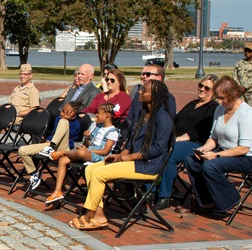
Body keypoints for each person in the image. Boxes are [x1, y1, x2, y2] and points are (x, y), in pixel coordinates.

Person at [68, 79, 173, 230]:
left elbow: (157, 148)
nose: (140, 91)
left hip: (147, 166)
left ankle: (88, 215)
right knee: (90, 169)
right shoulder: (143, 114)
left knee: (99, 174)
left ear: (155, 95)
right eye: (141, 88)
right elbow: (130, 141)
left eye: (144, 90)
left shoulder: (163, 118)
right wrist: (120, 156)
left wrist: (130, 157)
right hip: (133, 161)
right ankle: (99, 215)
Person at [177, 76, 252, 215]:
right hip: (222, 152)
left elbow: (244, 148)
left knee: (211, 166)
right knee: (191, 161)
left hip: (244, 157)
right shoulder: (219, 110)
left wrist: (216, 155)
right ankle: (206, 200)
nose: (220, 102)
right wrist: (203, 149)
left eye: (223, 98)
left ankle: (230, 199)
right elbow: (214, 137)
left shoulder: (246, 113)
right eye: (218, 98)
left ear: (233, 95)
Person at [153, 74, 219, 210]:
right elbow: (175, 121)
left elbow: (200, 131)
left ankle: (164, 195)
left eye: (207, 88)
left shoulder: (213, 108)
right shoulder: (192, 104)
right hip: (175, 138)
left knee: (170, 153)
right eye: (201, 85)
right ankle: (149, 189)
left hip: (196, 143)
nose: (202, 89)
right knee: (153, 148)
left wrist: (177, 139)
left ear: (215, 92)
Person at [43, 102, 120, 205]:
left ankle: (63, 152)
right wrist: (88, 138)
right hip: (88, 152)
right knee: (63, 160)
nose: (96, 115)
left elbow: (105, 151)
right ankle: (57, 191)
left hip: (101, 156)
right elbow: (89, 145)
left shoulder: (112, 132)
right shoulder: (98, 128)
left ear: (106, 115)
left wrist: (87, 151)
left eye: (98, 113)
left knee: (81, 153)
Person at [18, 101, 83, 190]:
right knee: (22, 150)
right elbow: (54, 133)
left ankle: (51, 147)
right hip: (50, 145)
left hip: (64, 148)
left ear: (73, 116)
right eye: (62, 111)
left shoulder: (75, 125)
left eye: (66, 113)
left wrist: (65, 120)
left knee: (64, 122)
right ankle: (34, 173)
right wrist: (47, 139)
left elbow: (66, 137)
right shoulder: (58, 119)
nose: (62, 114)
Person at [0, 63, 41, 150]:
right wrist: (2, 107)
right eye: (20, 74)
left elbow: (34, 109)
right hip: (9, 114)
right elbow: (10, 105)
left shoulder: (33, 91)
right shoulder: (16, 89)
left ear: (31, 75)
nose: (22, 76)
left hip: (18, 118)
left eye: (25, 74)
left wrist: (18, 113)